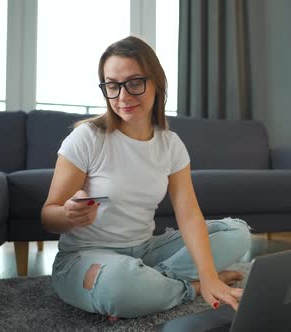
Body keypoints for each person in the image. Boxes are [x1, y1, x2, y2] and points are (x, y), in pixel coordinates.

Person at [41, 36, 252, 320]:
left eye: (134, 83)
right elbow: (47, 215)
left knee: (237, 234)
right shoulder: (86, 138)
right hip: (83, 256)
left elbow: (189, 214)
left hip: (144, 251)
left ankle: (150, 284)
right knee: (117, 285)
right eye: (112, 85)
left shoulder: (171, 144)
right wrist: (69, 215)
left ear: (156, 83)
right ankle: (187, 288)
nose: (123, 97)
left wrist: (208, 272)